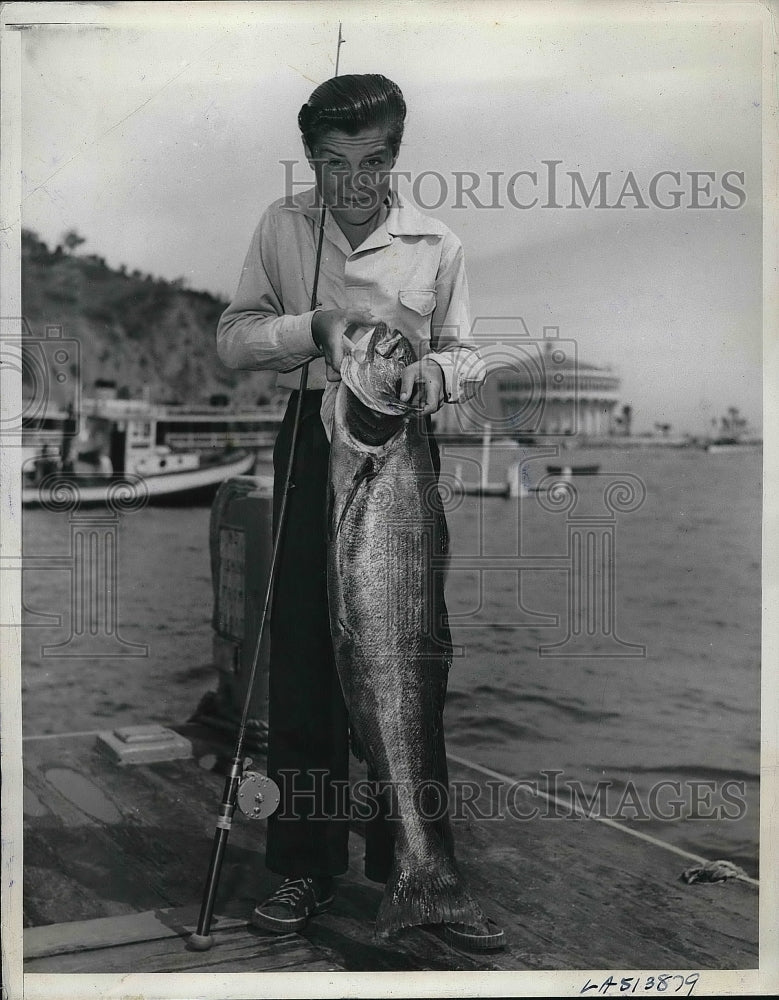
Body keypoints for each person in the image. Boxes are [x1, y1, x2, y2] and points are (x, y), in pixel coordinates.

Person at [217, 73, 503, 951]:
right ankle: (304, 866)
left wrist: (437, 374)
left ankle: (418, 872)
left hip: (402, 448)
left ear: (396, 154)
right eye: (334, 163)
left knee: (407, 662)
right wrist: (314, 328)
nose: (354, 182)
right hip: (311, 437)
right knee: (304, 657)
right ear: (310, 158)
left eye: (373, 161)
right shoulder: (279, 226)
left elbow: (466, 351)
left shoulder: (437, 242)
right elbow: (233, 340)